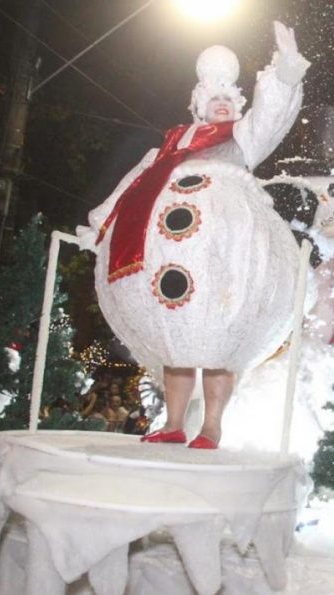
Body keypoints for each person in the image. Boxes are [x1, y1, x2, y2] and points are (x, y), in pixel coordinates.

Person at [78, 22, 310, 449]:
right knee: (176, 338)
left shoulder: (242, 138)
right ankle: (174, 422)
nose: (222, 105)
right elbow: (136, 180)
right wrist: (101, 220)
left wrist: (287, 72)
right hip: (166, 257)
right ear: (199, 106)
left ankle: (212, 427)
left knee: (222, 337)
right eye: (214, 99)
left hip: (227, 249)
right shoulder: (170, 147)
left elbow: (272, 114)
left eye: (228, 99)